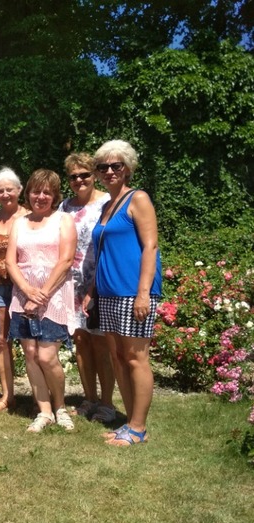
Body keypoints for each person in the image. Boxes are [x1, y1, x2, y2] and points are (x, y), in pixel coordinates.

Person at [87, 140, 162, 446]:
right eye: (102, 167)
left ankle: (139, 428)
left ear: (127, 168)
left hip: (133, 291)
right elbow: (103, 252)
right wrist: (93, 291)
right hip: (108, 292)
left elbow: (150, 246)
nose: (109, 171)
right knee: (118, 357)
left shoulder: (138, 199)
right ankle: (130, 423)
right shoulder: (107, 206)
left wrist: (143, 293)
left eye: (115, 165)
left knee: (135, 358)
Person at [7, 169, 77, 432]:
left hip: (54, 297)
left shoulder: (63, 220)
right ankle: (44, 411)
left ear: (55, 195)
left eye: (47, 192)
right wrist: (27, 290)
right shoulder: (19, 223)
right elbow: (11, 262)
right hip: (22, 297)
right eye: (36, 191)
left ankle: (60, 407)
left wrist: (41, 295)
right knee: (30, 354)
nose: (41, 196)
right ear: (29, 193)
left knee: (47, 356)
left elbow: (66, 260)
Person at [59, 153, 116, 423]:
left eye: (85, 175)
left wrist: (95, 286)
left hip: (98, 281)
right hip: (71, 283)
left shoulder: (108, 203)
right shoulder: (65, 207)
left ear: (94, 175)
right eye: (74, 176)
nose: (79, 180)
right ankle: (89, 398)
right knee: (80, 340)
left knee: (101, 343)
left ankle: (107, 403)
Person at [0, 168, 29, 414]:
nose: (5, 194)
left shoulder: (30, 217)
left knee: (31, 341)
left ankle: (41, 397)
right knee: (2, 342)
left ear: (19, 190)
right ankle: (7, 395)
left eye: (9, 189)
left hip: (24, 287)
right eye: (0, 190)